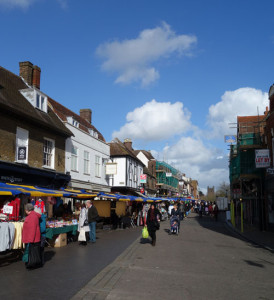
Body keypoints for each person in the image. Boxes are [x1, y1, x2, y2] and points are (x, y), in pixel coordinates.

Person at [22, 203, 42, 269]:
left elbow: (32, 229)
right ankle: (33, 263)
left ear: (27, 210)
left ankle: (32, 264)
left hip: (32, 238)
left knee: (31, 252)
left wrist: (30, 240)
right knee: (34, 252)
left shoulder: (32, 216)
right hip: (32, 238)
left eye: (25, 210)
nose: (25, 211)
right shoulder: (33, 215)